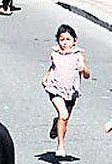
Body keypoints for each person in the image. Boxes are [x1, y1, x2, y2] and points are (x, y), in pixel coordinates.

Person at [41, 24, 90, 159]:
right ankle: (60, 146)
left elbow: (87, 75)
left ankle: (56, 123)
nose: (65, 42)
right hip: (55, 88)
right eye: (62, 39)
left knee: (64, 118)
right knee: (64, 114)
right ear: (58, 41)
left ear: (74, 40)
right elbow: (53, 67)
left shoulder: (78, 55)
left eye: (68, 39)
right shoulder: (54, 53)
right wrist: (45, 78)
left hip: (71, 91)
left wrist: (83, 68)